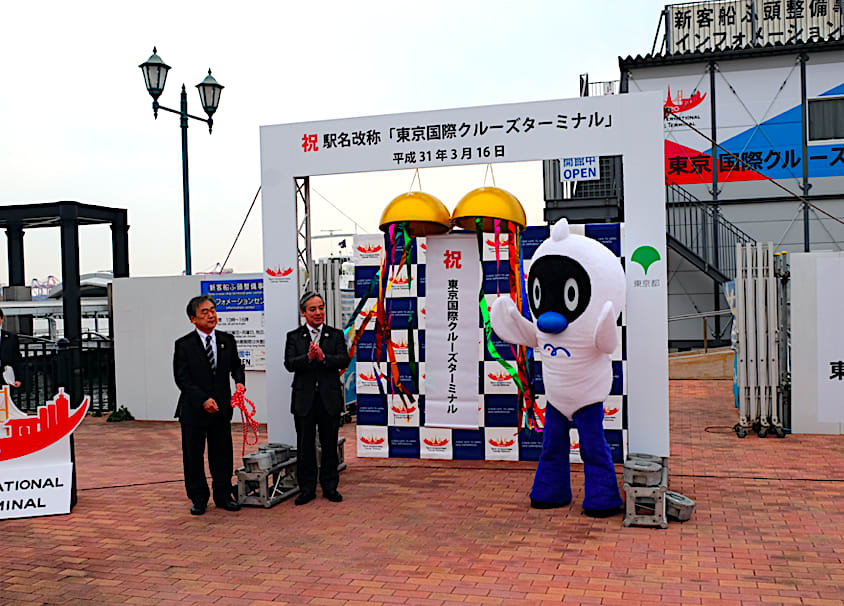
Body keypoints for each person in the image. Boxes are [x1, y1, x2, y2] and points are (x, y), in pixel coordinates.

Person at [173, 295, 245, 516]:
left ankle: (223, 495)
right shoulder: (184, 345)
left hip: (221, 409)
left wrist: (240, 383)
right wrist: (202, 400)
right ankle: (198, 498)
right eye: (204, 312)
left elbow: (236, 366)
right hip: (194, 410)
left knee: (222, 454)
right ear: (193, 319)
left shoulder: (227, 339)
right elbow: (182, 379)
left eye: (213, 310)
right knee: (193, 456)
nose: (211, 315)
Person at [284, 291, 350, 505]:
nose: (318, 312)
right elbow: (290, 363)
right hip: (304, 400)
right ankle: (307, 489)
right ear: (303, 312)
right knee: (305, 446)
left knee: (329, 444)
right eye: (313, 309)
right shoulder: (294, 336)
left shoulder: (335, 334)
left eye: (321, 307)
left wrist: (323, 358)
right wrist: (308, 357)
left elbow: (344, 360)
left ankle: (330, 487)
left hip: (329, 399)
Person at [0, 309, 23, 389]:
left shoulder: (11, 337)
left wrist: (18, 378)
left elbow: (17, 358)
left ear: (2, 318)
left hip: (7, 379)